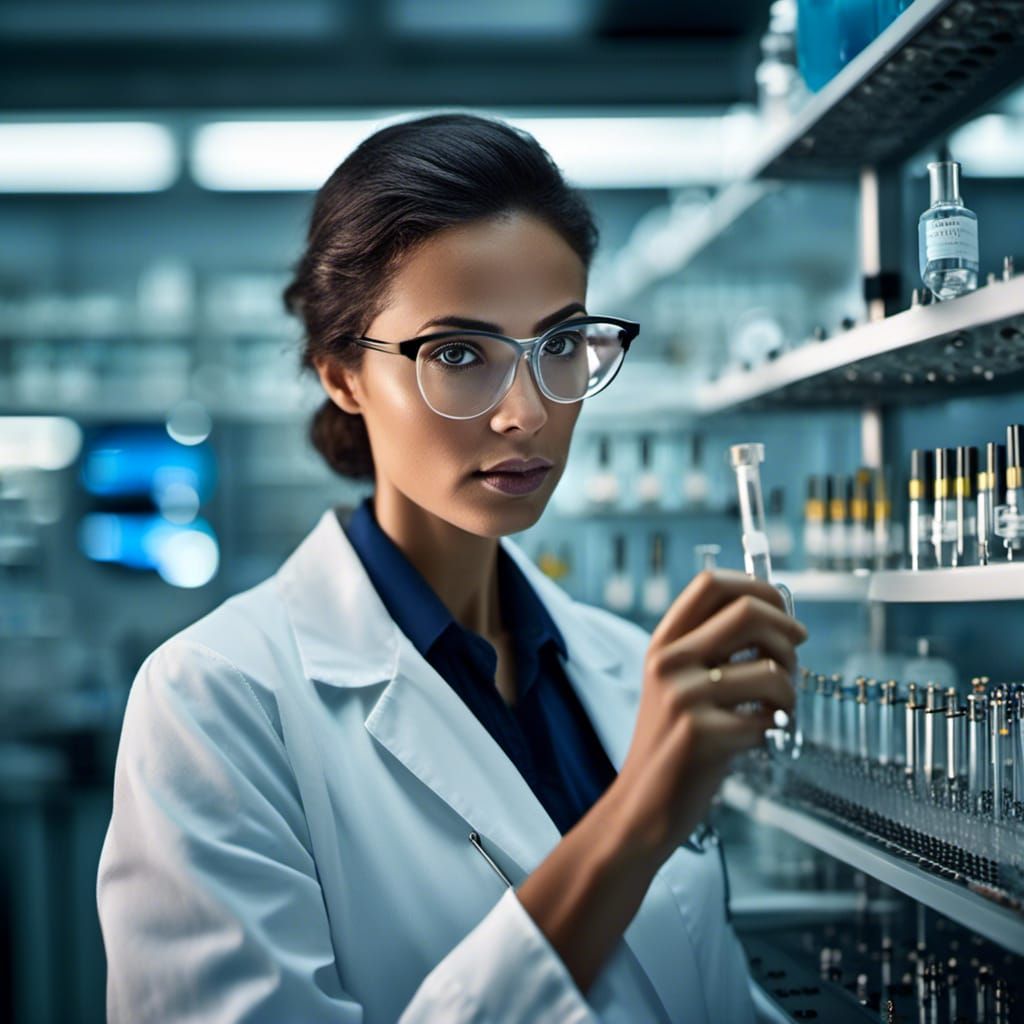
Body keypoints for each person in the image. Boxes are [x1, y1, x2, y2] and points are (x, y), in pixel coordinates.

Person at [96, 112, 808, 1023]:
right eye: (460, 354)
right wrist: (637, 819)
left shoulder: (627, 668)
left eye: (559, 346)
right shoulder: (216, 703)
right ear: (342, 373)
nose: (526, 413)